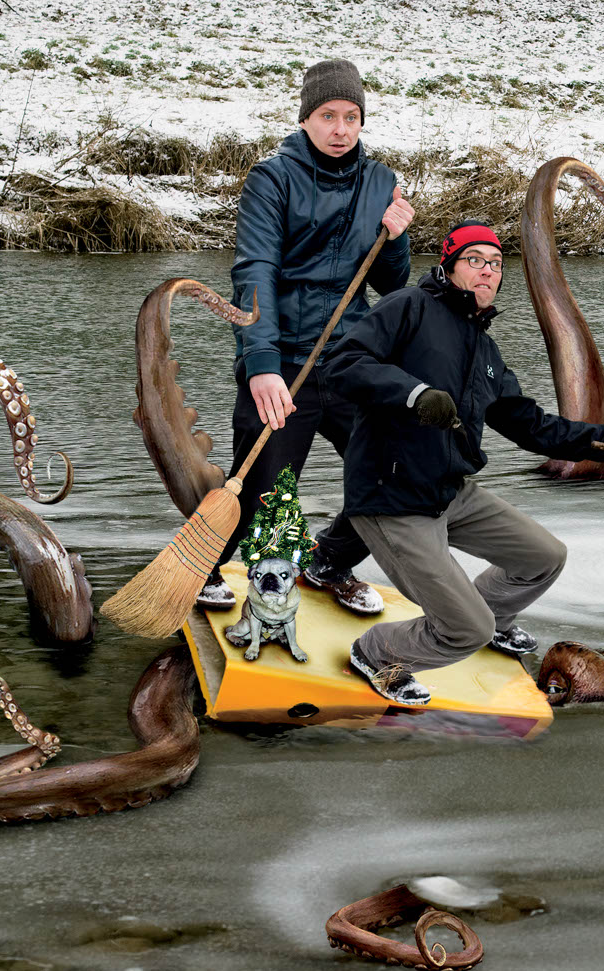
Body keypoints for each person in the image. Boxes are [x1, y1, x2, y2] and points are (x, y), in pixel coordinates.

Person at [321, 221, 604, 705]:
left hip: (449, 490)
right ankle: (377, 653)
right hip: (390, 494)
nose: (488, 271)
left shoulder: (485, 349)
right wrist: (414, 393)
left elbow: (531, 426)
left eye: (496, 264)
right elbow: (343, 362)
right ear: (449, 265)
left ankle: (491, 618)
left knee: (544, 557)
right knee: (463, 630)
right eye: (474, 260)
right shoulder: (408, 308)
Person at [201, 58, 415, 616]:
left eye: (351, 116)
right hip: (285, 361)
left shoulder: (380, 181)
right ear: (306, 119)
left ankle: (329, 565)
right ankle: (204, 571)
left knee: (398, 471)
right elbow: (255, 273)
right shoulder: (271, 179)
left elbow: (391, 283)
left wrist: (395, 239)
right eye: (327, 115)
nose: (340, 129)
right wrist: (262, 363)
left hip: (349, 360)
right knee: (259, 493)